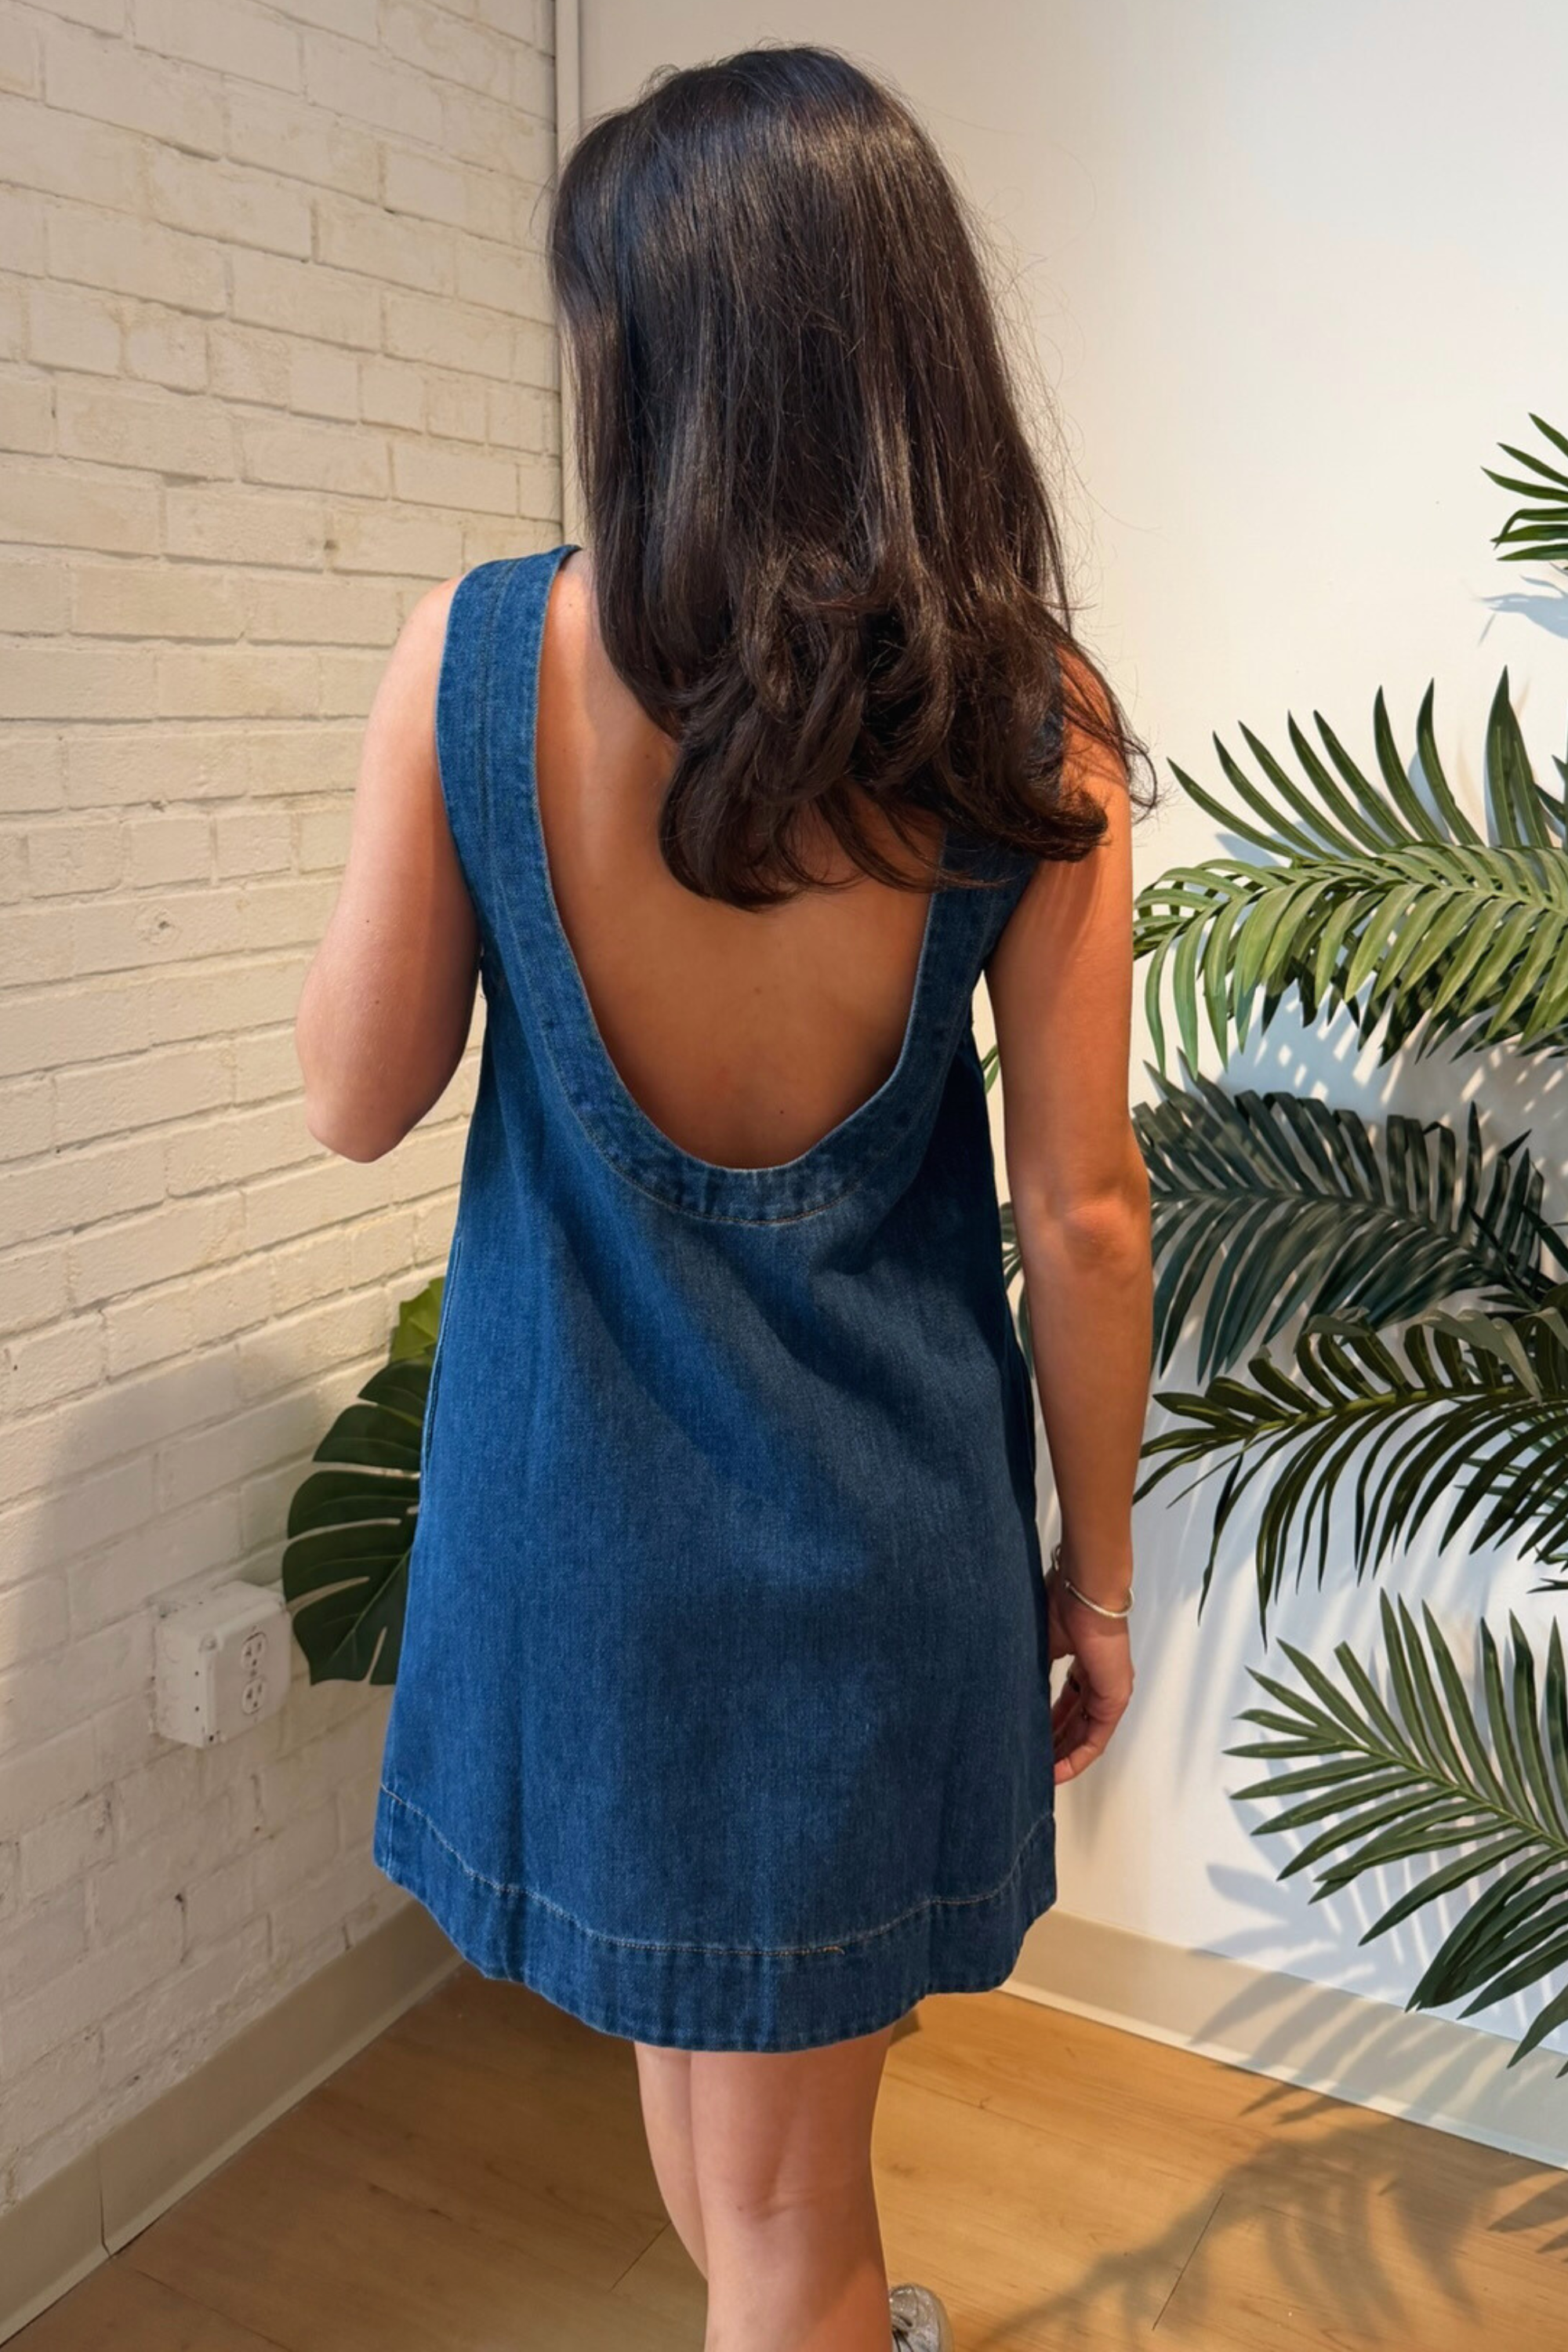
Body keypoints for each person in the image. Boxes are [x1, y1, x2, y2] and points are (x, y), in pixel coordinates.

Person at [295, 42, 1154, 2352]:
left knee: (748, 2178)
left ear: (656, 355)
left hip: (581, 1545)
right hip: (868, 1553)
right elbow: (1084, 1215)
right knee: (772, 2195)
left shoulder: (481, 655)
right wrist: (1095, 1583)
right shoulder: (1034, 720)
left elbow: (352, 1096)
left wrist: (439, 807)